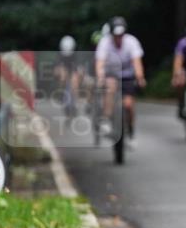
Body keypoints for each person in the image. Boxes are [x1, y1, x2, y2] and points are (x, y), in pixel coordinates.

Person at [94, 17, 146, 145]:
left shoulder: (132, 42)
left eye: (121, 35)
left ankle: (131, 131)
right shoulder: (104, 43)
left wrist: (140, 78)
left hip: (127, 76)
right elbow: (100, 63)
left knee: (128, 105)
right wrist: (100, 77)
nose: (118, 38)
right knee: (109, 86)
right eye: (116, 35)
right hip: (111, 75)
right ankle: (106, 118)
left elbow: (137, 63)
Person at [54, 35, 83, 115]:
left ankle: (75, 101)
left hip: (73, 69)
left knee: (75, 80)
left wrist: (78, 73)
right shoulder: (60, 54)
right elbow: (57, 67)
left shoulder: (76, 53)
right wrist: (60, 72)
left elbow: (79, 66)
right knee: (62, 75)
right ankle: (61, 93)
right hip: (64, 69)